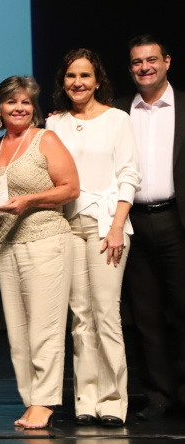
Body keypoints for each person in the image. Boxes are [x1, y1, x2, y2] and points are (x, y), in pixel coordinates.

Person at [45, 49, 139, 427]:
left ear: (97, 80)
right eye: (71, 76)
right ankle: (86, 399)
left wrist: (117, 225)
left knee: (106, 314)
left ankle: (114, 400)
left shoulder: (118, 119)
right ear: (63, 82)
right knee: (80, 317)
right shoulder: (55, 125)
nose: (77, 83)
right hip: (67, 227)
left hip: (106, 226)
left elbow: (129, 174)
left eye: (84, 76)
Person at [0, 76, 79, 429]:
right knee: (18, 332)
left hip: (46, 240)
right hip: (5, 244)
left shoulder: (45, 138)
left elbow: (71, 187)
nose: (19, 108)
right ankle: (30, 400)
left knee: (45, 328)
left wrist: (30, 200)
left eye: (25, 102)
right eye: (12, 102)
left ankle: (45, 402)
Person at [115, 34, 185, 420]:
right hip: (134, 222)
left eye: (152, 60)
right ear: (131, 69)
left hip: (178, 220)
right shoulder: (118, 110)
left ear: (167, 62)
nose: (145, 67)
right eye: (138, 62)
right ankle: (158, 394)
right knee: (146, 315)